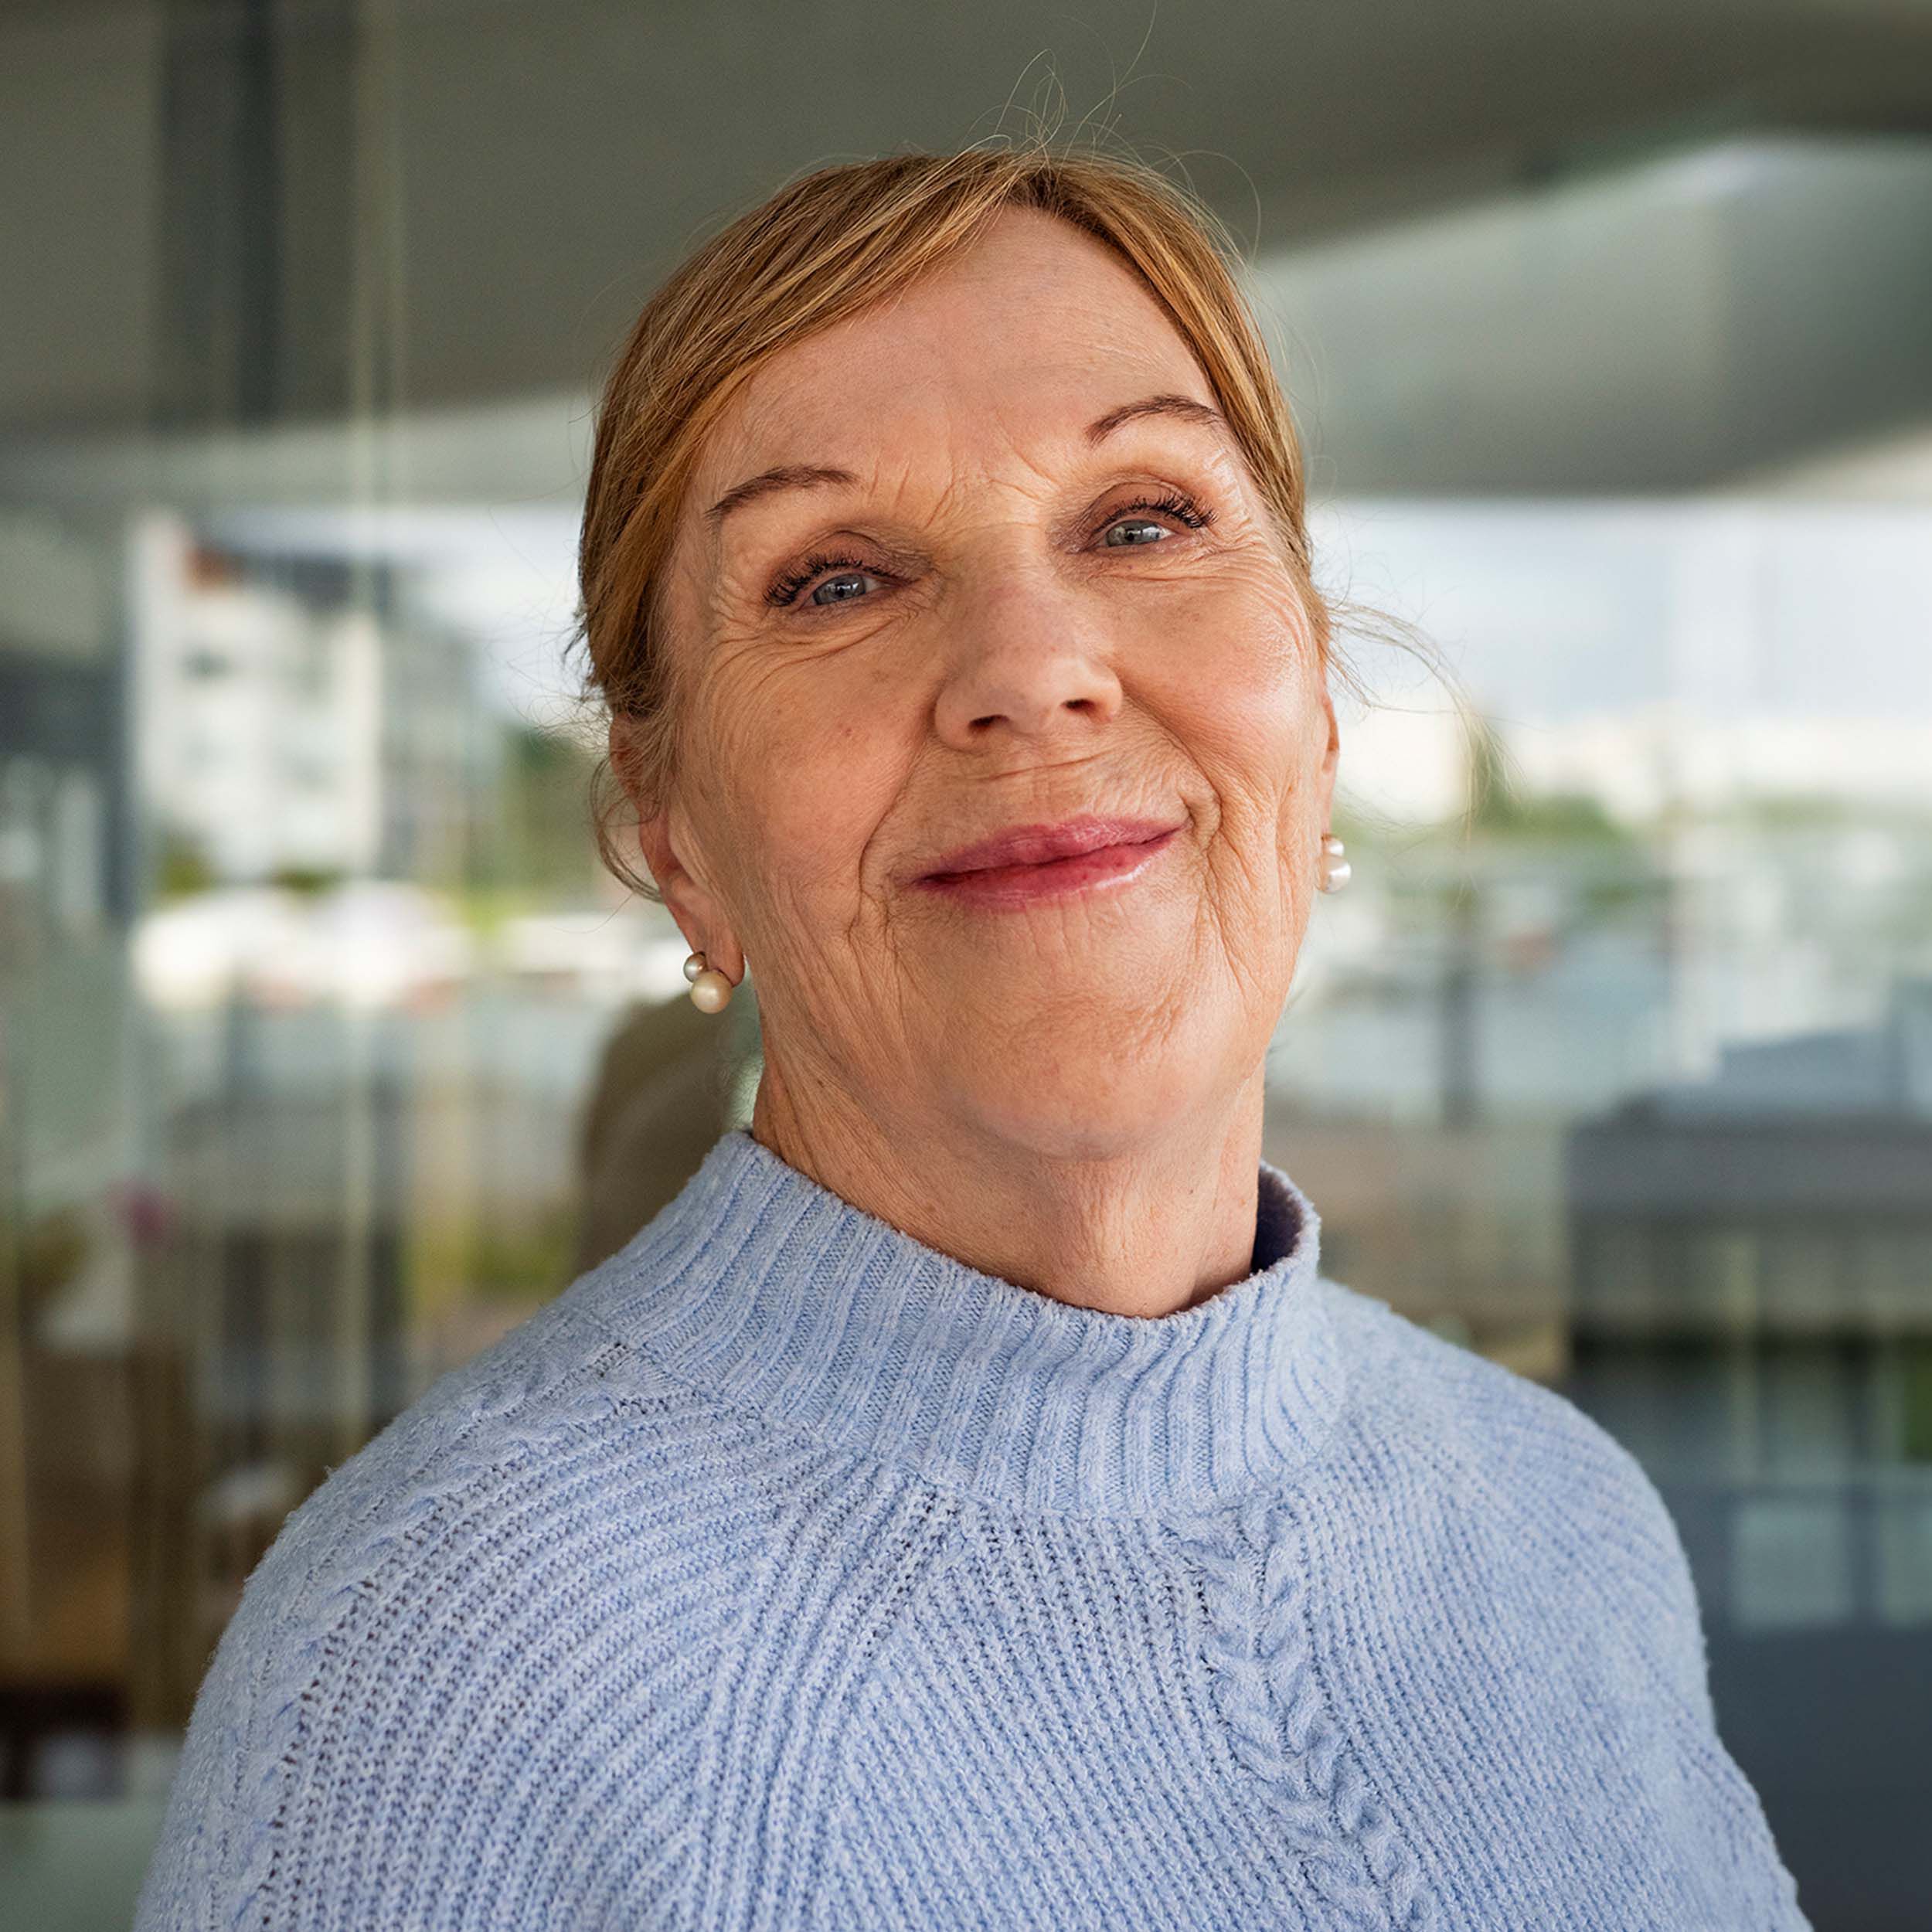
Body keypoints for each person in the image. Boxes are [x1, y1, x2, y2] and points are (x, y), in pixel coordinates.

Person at [134, 139, 1811, 1930]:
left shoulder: (1562, 1514)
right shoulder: (436, 1680)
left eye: (1142, 519)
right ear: (673, 833)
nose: (1030, 665)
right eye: (833, 578)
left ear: (1314, 715)